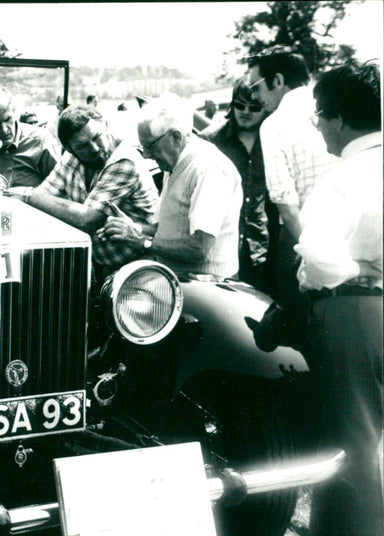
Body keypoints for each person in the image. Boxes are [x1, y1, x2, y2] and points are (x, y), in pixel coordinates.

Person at [294, 60, 383, 536]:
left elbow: (319, 256)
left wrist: (359, 269)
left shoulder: (342, 180)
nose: (320, 127)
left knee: (354, 435)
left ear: (341, 121)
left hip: (353, 310)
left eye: (321, 116)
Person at [246, 46, 336, 352]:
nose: (255, 98)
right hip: (354, 234)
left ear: (278, 80)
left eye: (256, 87)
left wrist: (313, 255)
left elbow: (287, 206)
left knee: (308, 342)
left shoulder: (274, 125)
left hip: (305, 242)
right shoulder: (333, 106)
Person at [102, 94, 242, 278]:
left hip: (210, 288)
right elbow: (173, 227)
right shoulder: (175, 160)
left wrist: (141, 241)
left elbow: (200, 247)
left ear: (176, 137)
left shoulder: (209, 169)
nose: (145, 155)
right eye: (142, 147)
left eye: (150, 147)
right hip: (182, 280)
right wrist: (133, 228)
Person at [22, 105, 158, 277]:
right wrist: (37, 197)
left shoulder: (125, 160)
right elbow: (42, 195)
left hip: (139, 271)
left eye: (97, 137)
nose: (94, 148)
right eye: (83, 146)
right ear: (70, 149)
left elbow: (87, 219)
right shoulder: (72, 158)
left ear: (105, 126)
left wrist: (28, 195)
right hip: (100, 269)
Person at [201, 80, 275, 292]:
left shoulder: (273, 140)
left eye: (254, 108)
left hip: (263, 246)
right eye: (239, 105)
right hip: (220, 249)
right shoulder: (210, 140)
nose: (245, 112)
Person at [0, 86, 60, 189]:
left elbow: (60, 188)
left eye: (7, 119)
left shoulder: (40, 141)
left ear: (14, 112)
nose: (4, 130)